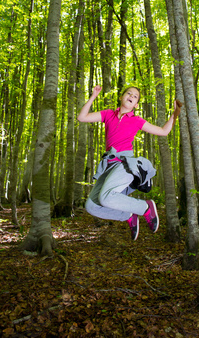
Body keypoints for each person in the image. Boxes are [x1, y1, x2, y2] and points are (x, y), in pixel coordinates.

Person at [77, 85, 181, 241]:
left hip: (125, 164)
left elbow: (163, 131)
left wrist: (176, 112)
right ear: (121, 97)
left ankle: (146, 207)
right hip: (109, 165)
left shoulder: (137, 121)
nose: (131, 96)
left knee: (106, 197)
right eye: (129, 93)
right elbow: (82, 117)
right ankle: (128, 215)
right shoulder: (108, 114)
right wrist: (93, 96)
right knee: (91, 206)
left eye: (135, 96)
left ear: (136, 105)